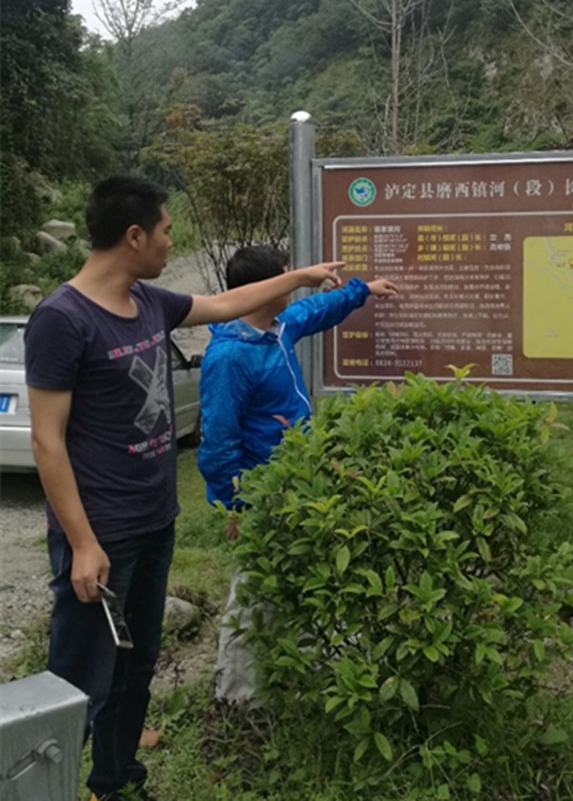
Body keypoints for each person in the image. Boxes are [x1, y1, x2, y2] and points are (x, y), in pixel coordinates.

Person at [23, 175, 344, 801]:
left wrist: (302, 277)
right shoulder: (63, 319)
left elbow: (224, 305)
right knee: (79, 679)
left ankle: (116, 783)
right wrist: (83, 544)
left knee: (135, 666)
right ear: (134, 235)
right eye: (167, 231)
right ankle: (43, 788)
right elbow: (46, 441)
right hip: (102, 533)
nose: (172, 241)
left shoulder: (147, 301)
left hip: (154, 519)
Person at [196, 244, 398, 703]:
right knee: (254, 594)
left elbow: (313, 310)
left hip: (298, 486)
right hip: (260, 497)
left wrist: (363, 290)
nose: (293, 284)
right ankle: (239, 698)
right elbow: (219, 442)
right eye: (286, 276)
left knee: (304, 580)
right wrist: (234, 506)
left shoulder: (275, 329)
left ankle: (302, 682)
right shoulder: (230, 357)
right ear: (267, 287)